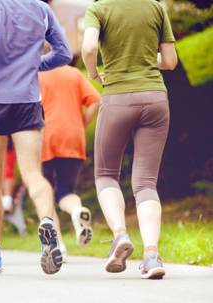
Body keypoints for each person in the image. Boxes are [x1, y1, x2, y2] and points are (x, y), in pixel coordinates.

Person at [0, 0, 72, 275]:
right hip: (27, 99)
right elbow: (64, 53)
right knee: (34, 174)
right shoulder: (41, 8)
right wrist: (34, 66)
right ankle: (48, 223)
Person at [82, 0, 178, 279]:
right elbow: (170, 61)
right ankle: (151, 256)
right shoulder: (156, 7)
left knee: (106, 174)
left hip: (118, 99)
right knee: (146, 182)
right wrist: (145, 60)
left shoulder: (99, 9)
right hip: (155, 98)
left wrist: (93, 72)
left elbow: (88, 48)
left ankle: (120, 236)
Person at [39, 63, 101, 259]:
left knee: (44, 194)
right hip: (73, 137)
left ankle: (56, 245)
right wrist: (80, 124)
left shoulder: (35, 76)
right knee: (66, 191)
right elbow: (95, 101)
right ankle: (77, 211)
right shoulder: (73, 74)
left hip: (44, 137)